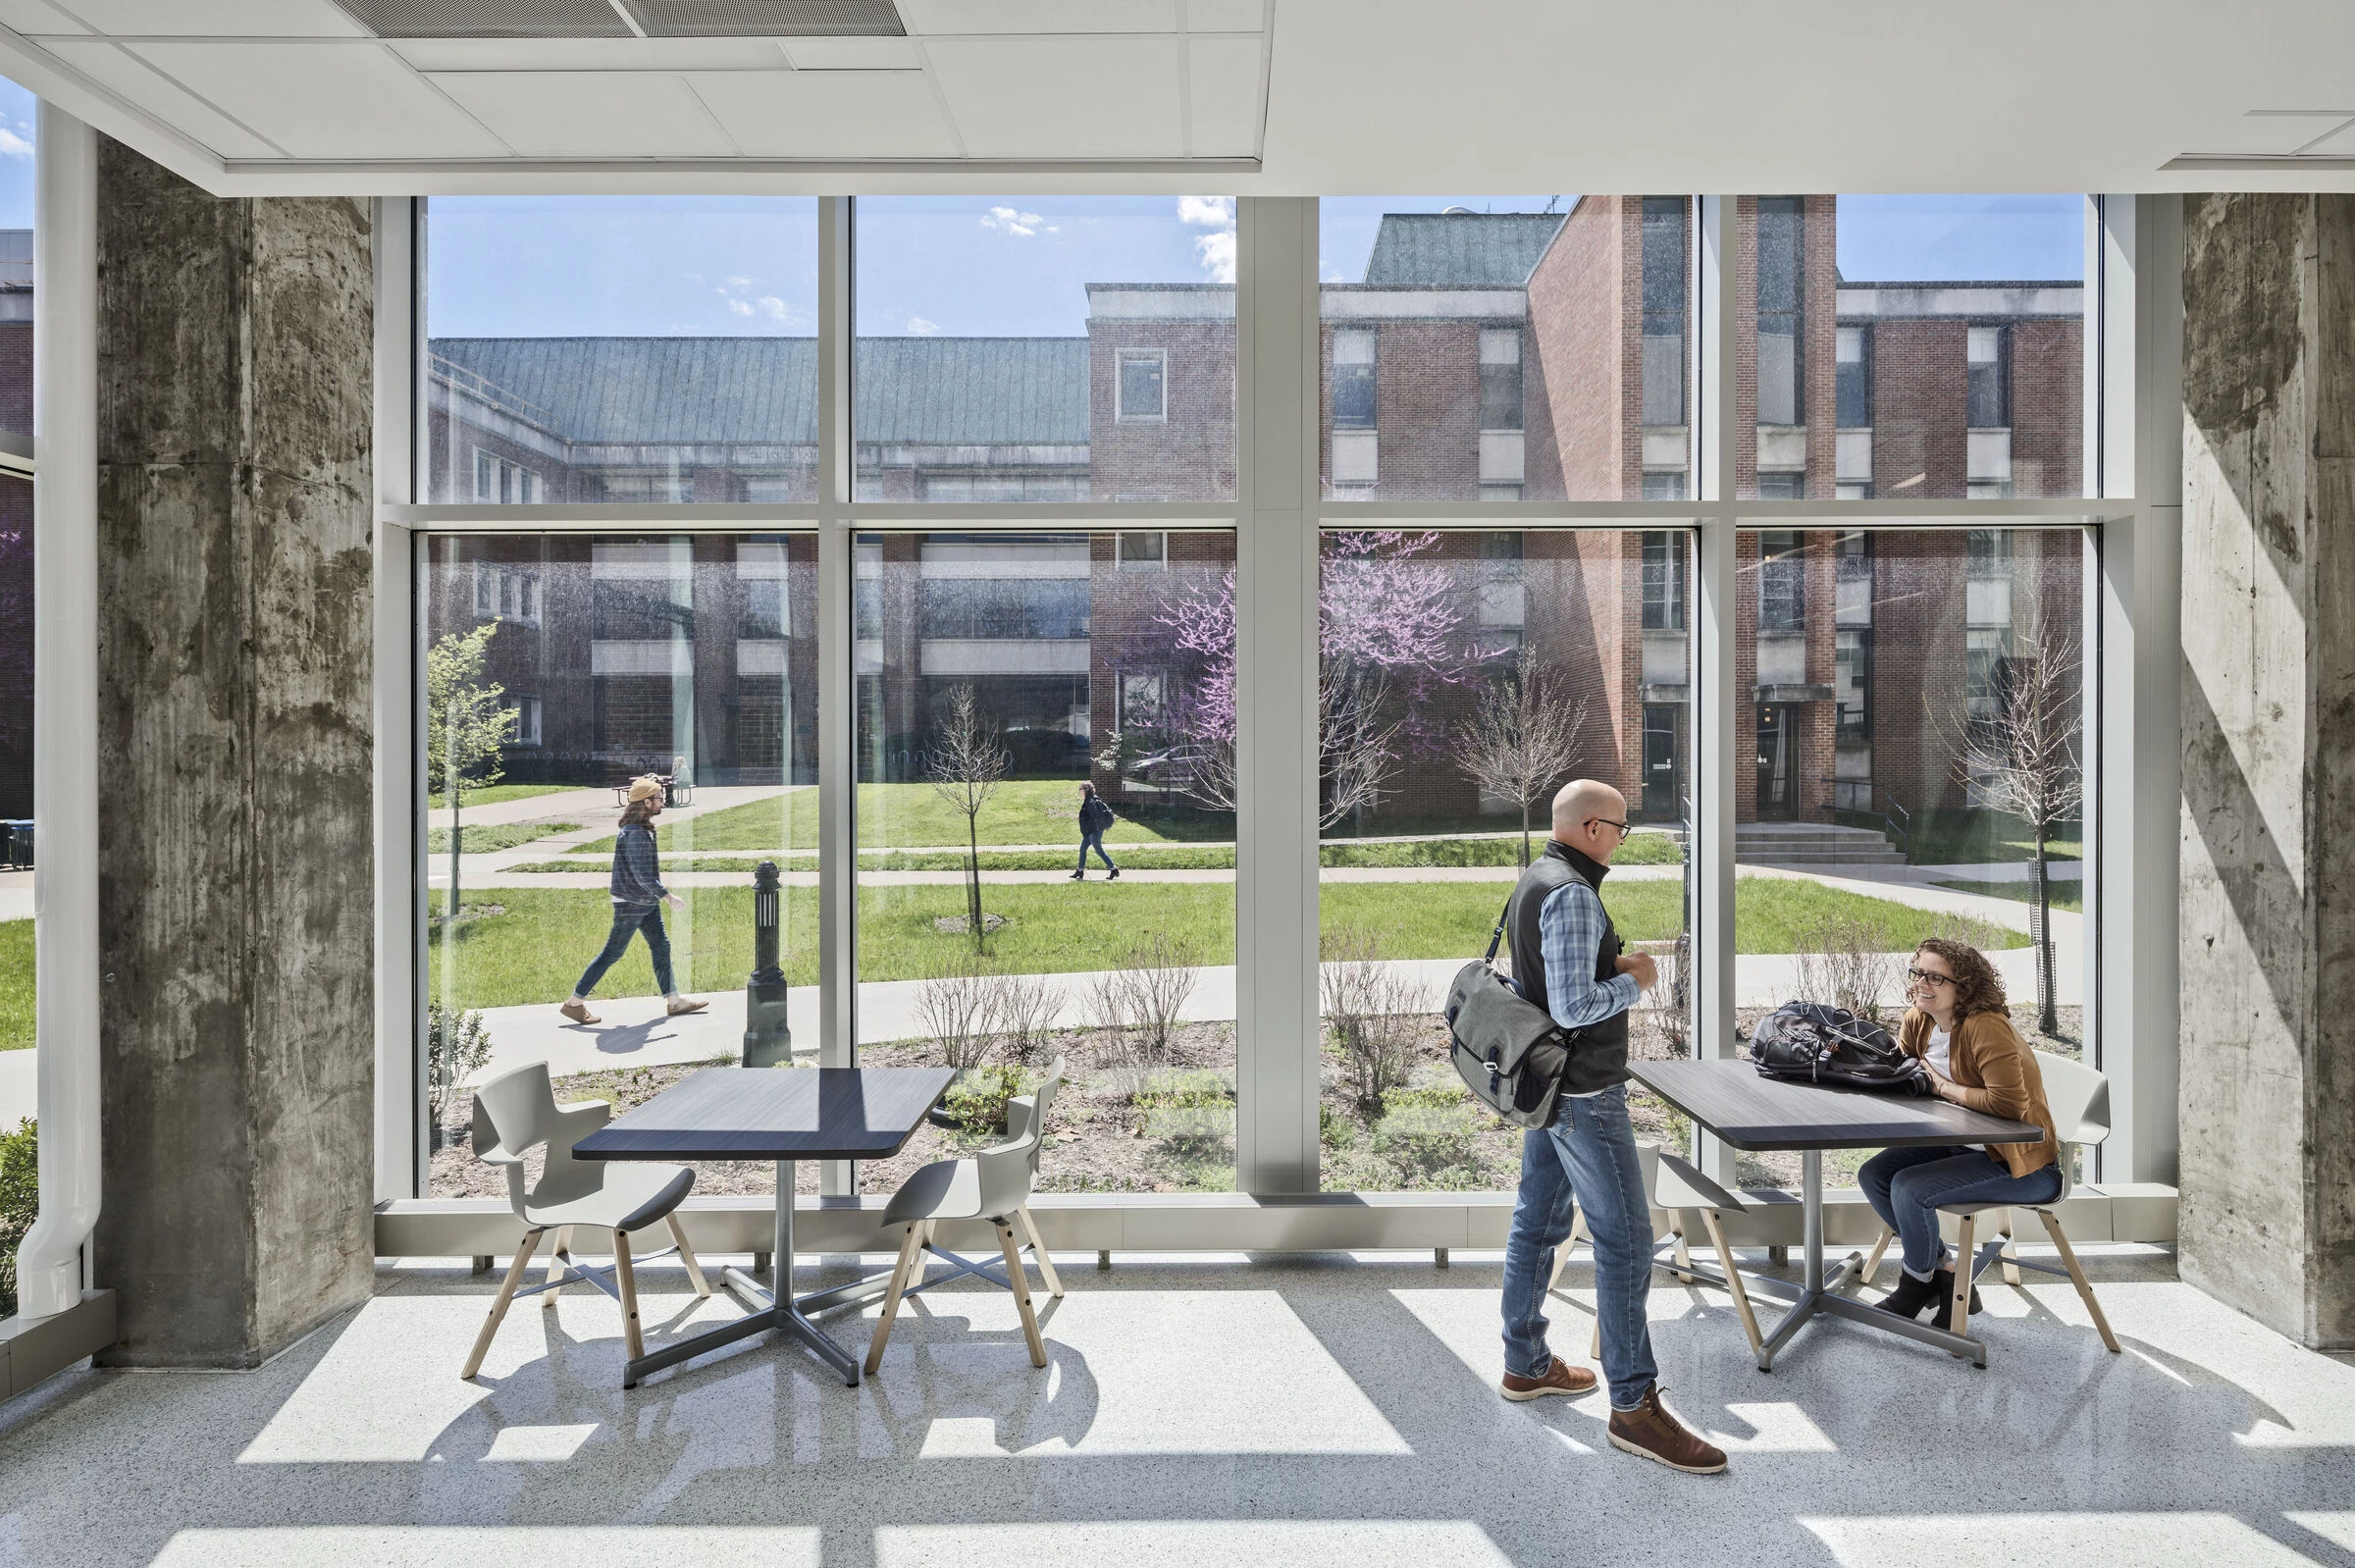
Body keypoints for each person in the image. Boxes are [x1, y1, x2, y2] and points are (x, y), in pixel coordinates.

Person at [1495, 778, 1727, 1476]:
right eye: (1621, 829)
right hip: (1584, 1092)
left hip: (1547, 1085)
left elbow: (1546, 985)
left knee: (1538, 1222)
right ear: (1593, 828)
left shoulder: (1537, 877)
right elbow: (1572, 1007)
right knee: (1626, 1242)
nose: (1622, 840)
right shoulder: (1572, 893)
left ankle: (1525, 1363)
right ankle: (1633, 1407)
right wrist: (1637, 982)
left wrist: (1609, 964)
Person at [1858, 938, 2063, 1328]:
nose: (1921, 984)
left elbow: (2009, 1105)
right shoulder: (1918, 1019)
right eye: (1918, 973)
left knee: (1909, 1188)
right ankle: (1947, 1275)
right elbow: (1906, 1077)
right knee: (1875, 1174)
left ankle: (1915, 1285)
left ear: (1964, 988)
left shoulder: (1986, 1026)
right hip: (1960, 1145)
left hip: (2020, 1164)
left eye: (1935, 977)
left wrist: (1942, 1086)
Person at [558, 776, 709, 1024]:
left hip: (643, 901)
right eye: (659, 797)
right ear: (646, 802)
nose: (663, 801)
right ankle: (574, 1003)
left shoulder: (640, 829)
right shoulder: (636, 833)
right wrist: (668, 897)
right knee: (612, 953)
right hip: (631, 903)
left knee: (661, 947)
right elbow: (642, 875)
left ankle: (674, 1001)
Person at [1071, 780, 1120, 881]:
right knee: (1083, 849)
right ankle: (1080, 870)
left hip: (1094, 831)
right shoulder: (1091, 799)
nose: (1079, 790)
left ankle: (1113, 869)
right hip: (1090, 831)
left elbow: (1096, 816)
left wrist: (1095, 828)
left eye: (1080, 789)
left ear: (1086, 790)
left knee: (1099, 851)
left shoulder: (1090, 801)